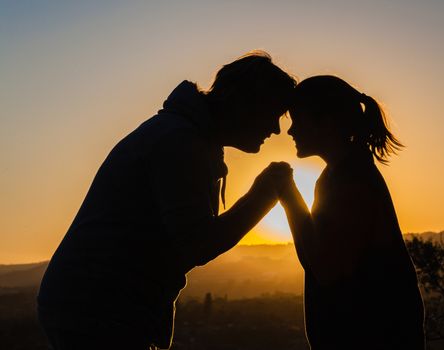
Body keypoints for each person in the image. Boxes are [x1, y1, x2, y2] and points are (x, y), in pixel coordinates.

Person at [37, 51, 297, 350]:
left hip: (98, 304)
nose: (276, 129)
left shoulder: (187, 137)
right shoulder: (179, 142)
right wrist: (262, 196)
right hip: (97, 307)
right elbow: (198, 243)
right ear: (245, 103)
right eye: (273, 114)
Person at [278, 75, 426, 349]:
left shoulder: (351, 180)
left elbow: (325, 268)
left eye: (298, 120)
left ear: (327, 122)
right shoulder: (339, 175)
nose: (291, 131)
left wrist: (288, 197)